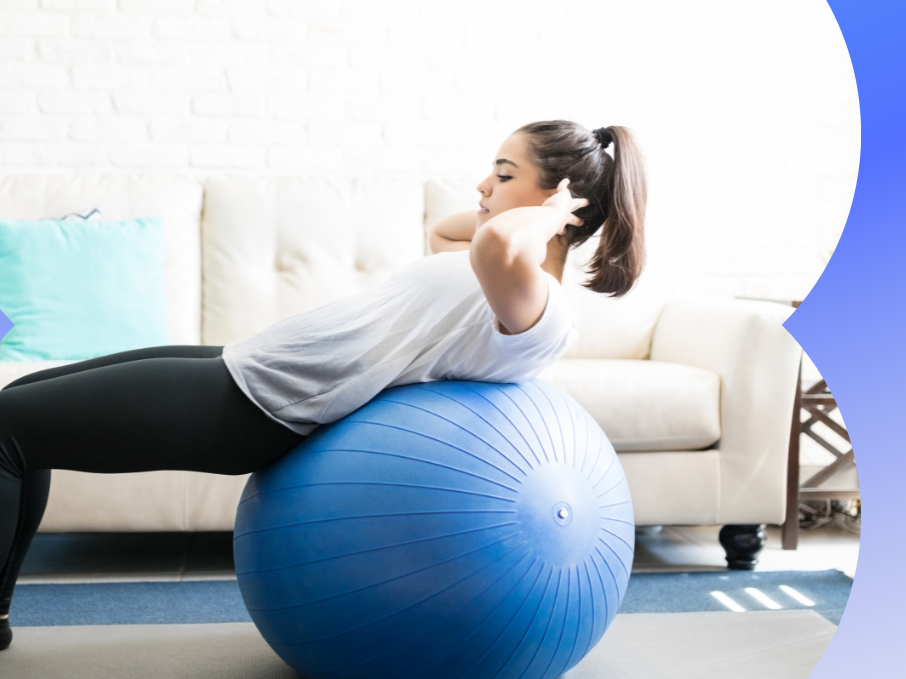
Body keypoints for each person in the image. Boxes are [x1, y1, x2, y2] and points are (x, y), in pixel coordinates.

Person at [0, 120, 647, 651]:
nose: (483, 184)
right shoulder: (503, 271)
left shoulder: (538, 304)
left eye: (503, 174)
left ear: (556, 202)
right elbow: (449, 235)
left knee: (11, 432)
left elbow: (493, 245)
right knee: (14, 411)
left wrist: (550, 214)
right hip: (244, 367)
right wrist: (520, 204)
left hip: (254, 407)